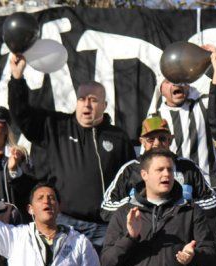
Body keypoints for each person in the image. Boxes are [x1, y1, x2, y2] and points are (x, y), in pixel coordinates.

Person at [7, 53, 134, 248]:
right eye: (82, 99)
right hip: (64, 222)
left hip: (105, 227)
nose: (87, 104)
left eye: (93, 100)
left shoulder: (118, 137)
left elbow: (129, 179)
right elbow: (21, 114)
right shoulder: (57, 126)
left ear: (105, 105)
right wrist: (17, 79)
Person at [100, 115, 216, 221]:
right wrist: (134, 203)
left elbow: (213, 201)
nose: (157, 143)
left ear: (170, 140)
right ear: (142, 142)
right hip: (140, 238)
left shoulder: (187, 167)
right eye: (151, 139)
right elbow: (106, 208)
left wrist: (185, 206)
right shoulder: (130, 169)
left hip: (183, 237)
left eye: (162, 138)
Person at [155, 45, 216, 193]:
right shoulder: (155, 118)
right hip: (177, 191)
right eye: (170, 80)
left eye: (182, 79)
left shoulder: (203, 104)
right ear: (161, 89)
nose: (178, 84)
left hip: (213, 187)